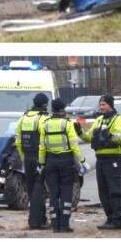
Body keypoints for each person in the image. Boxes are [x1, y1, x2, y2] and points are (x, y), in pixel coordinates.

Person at [39, 98, 86, 233]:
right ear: (63, 109)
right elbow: (74, 145)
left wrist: (41, 163)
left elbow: (42, 147)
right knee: (66, 193)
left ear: (52, 109)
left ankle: (55, 225)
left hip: (50, 162)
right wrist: (82, 161)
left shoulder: (45, 124)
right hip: (66, 162)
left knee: (53, 194)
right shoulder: (67, 124)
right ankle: (64, 225)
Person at [79, 94, 121, 229]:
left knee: (115, 190)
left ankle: (118, 219)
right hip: (101, 159)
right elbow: (89, 137)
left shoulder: (118, 119)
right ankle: (110, 217)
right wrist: (80, 132)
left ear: (110, 105)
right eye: (100, 105)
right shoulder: (99, 120)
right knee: (103, 191)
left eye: (103, 104)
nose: (101, 107)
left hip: (113, 159)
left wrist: (110, 136)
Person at [15, 93, 51, 230]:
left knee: (31, 189)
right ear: (45, 105)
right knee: (40, 189)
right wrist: (42, 160)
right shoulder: (43, 118)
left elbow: (18, 141)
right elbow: (43, 142)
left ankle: (35, 219)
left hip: (27, 158)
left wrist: (24, 159)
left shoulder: (23, 118)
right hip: (39, 157)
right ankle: (38, 221)